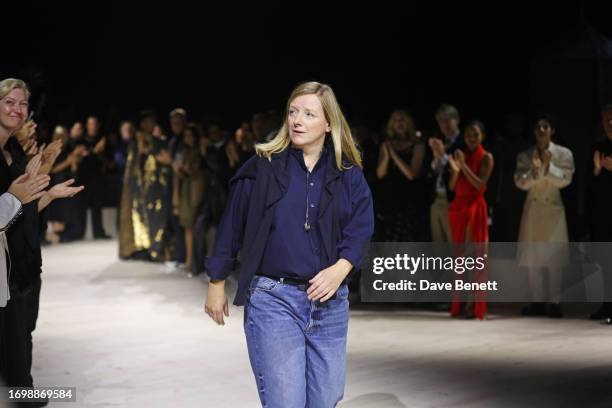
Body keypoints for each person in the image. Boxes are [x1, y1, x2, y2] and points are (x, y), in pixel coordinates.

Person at [204, 81, 374, 407]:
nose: (297, 120)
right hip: (273, 300)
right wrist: (217, 280)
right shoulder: (264, 167)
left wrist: (342, 267)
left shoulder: (347, 172)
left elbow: (361, 226)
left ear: (328, 124)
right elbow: (232, 224)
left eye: (309, 114)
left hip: (329, 305)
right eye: (293, 112)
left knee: (325, 400)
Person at [0, 78, 83, 394]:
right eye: (10, 102)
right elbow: (11, 204)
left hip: (23, 258)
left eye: (23, 105)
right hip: (7, 267)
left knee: (22, 338)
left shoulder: (12, 152)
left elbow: (23, 206)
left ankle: (24, 393)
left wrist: (50, 194)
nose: (18, 111)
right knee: (12, 348)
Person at [515, 115, 574, 318]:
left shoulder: (564, 153)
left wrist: (548, 167)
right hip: (533, 210)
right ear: (534, 131)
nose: (541, 130)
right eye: (538, 127)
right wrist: (535, 170)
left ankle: (555, 303)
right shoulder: (526, 155)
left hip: (553, 211)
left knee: (555, 261)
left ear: (552, 130)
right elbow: (520, 183)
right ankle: (537, 301)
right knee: (533, 260)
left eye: (545, 126)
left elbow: (565, 180)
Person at [447, 121, 494, 319]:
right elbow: (452, 187)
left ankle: (475, 305)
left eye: (475, 134)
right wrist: (457, 171)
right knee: (460, 259)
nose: (471, 138)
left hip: (475, 207)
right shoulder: (459, 155)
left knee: (476, 258)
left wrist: (463, 166)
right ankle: (461, 302)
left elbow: (480, 186)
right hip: (458, 207)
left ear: (482, 135)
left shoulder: (486, 157)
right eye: (467, 135)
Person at [375, 109, 427, 241]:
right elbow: (380, 174)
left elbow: (411, 174)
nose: (399, 123)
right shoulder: (386, 144)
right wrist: (387, 157)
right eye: (395, 120)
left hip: (409, 198)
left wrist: (393, 154)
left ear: (408, 122)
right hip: (390, 197)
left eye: (402, 119)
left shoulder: (417, 145)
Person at [587, 105, 612, 323]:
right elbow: (590, 185)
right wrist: (597, 171)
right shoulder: (598, 147)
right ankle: (607, 306)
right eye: (606, 120)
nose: (610, 123)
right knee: (605, 262)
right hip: (603, 214)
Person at [428, 104, 465, 243]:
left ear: (457, 119)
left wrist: (442, 155)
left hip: (454, 200)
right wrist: (436, 158)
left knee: (455, 245)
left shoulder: (464, 141)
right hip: (436, 199)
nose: (444, 124)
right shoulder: (440, 140)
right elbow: (433, 171)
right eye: (440, 121)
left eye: (447, 120)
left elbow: (458, 168)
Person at [172, 123, 205, 274]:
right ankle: (189, 260)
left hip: (198, 190)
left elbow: (195, 171)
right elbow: (180, 174)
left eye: (190, 136)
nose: (187, 138)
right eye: (185, 136)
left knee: (194, 226)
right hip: (186, 189)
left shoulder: (200, 151)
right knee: (187, 226)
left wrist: (176, 166)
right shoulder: (184, 152)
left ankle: (194, 261)